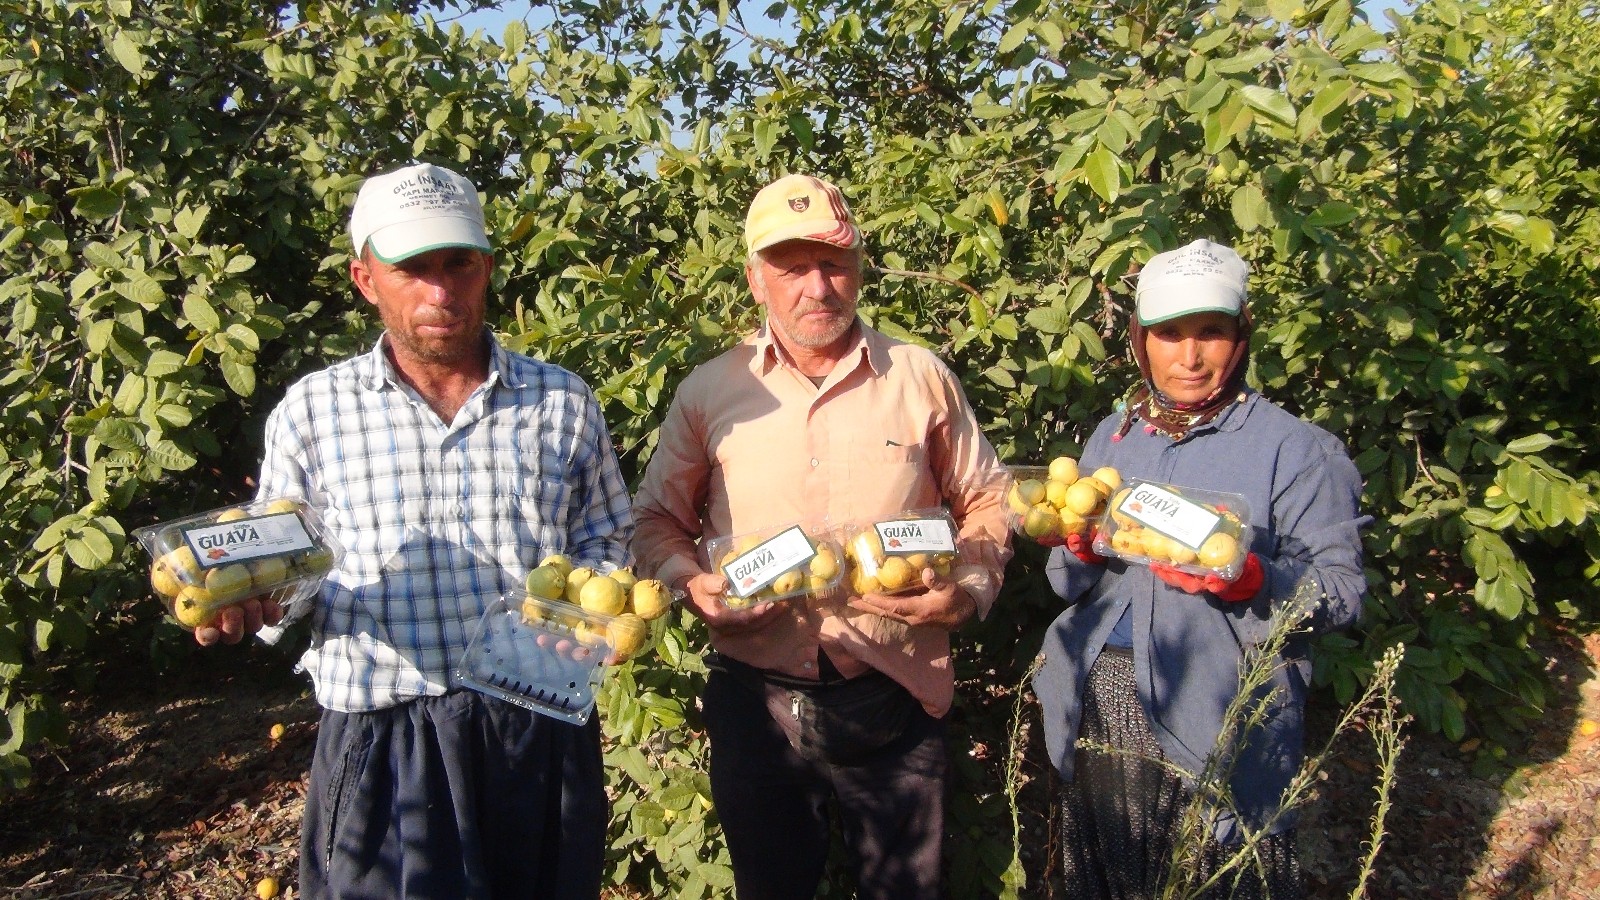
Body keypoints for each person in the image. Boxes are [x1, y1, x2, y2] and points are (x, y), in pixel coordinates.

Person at [198, 162, 634, 899]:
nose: (440, 292)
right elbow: (286, 564)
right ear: (365, 278)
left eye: (457, 263)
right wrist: (256, 599)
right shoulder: (314, 411)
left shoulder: (561, 401)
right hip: (384, 732)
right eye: (412, 269)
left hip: (535, 729)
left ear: (486, 267)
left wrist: (589, 614)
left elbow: (605, 536)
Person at [630, 173, 1012, 899]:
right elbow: (655, 521)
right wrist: (692, 584)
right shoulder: (710, 391)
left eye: (834, 264)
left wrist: (967, 593)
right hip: (756, 701)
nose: (818, 287)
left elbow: (988, 498)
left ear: (859, 269)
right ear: (755, 279)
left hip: (894, 689)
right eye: (792, 267)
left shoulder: (918, 377)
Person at [1034, 239, 1368, 898]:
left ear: (1241, 336)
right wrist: (1077, 549)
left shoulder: (1297, 451)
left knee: (1214, 874)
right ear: (1141, 340)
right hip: (1099, 701)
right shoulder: (1116, 435)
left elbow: (1344, 592)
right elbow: (1066, 582)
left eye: (1210, 332)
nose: (1189, 356)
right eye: (1169, 334)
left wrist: (1253, 580)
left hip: (1218, 717)